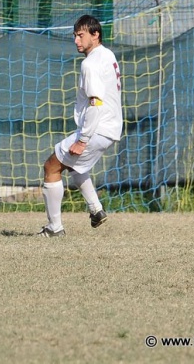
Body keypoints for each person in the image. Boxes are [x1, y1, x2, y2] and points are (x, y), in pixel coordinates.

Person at [38, 15, 123, 237]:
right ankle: (96, 211)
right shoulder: (108, 54)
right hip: (110, 128)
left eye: (81, 35)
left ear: (95, 35)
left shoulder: (90, 63)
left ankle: (54, 228)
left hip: (96, 128)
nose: (76, 40)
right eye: (75, 36)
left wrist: (83, 139)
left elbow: (96, 101)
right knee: (76, 167)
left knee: (51, 167)